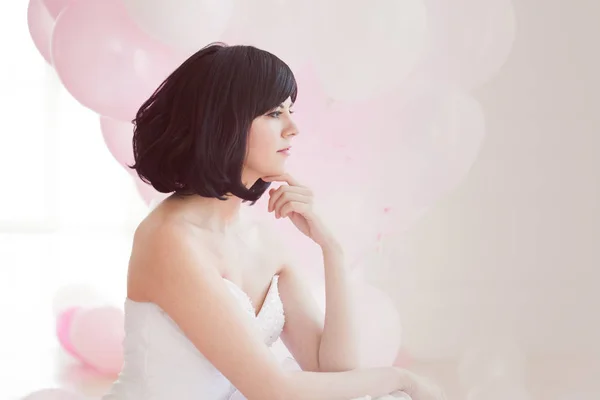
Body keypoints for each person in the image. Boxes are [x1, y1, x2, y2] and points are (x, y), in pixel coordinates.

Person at [101, 43, 445, 400]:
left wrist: (332, 250)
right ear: (224, 123)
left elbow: (333, 373)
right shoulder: (170, 239)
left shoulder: (259, 238)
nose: (293, 128)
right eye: (274, 113)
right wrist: (403, 379)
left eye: (290, 111)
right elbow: (272, 391)